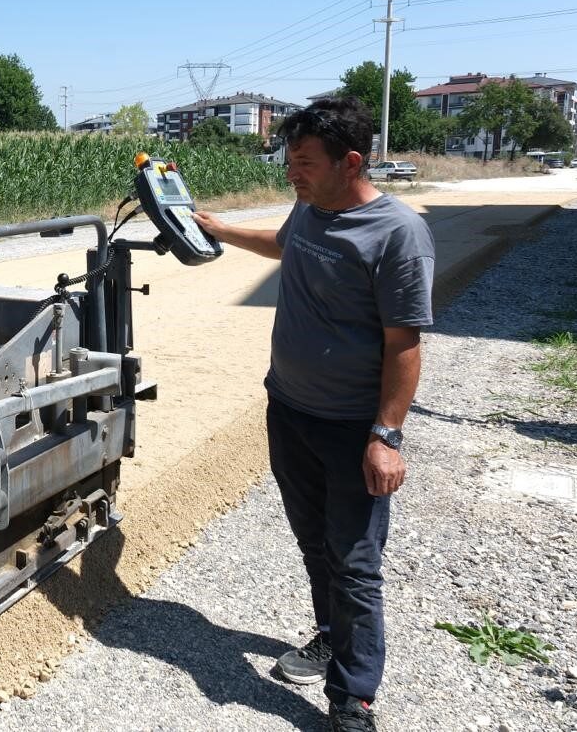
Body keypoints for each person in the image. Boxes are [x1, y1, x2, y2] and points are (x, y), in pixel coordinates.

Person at [191, 97, 434, 732]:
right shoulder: (310, 209)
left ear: (350, 162)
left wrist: (386, 436)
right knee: (313, 541)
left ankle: (352, 698)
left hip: (352, 426)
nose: (290, 173)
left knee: (354, 561)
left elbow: (404, 343)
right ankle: (329, 633)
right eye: (288, 160)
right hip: (289, 409)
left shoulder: (397, 234)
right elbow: (283, 243)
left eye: (303, 162)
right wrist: (221, 230)